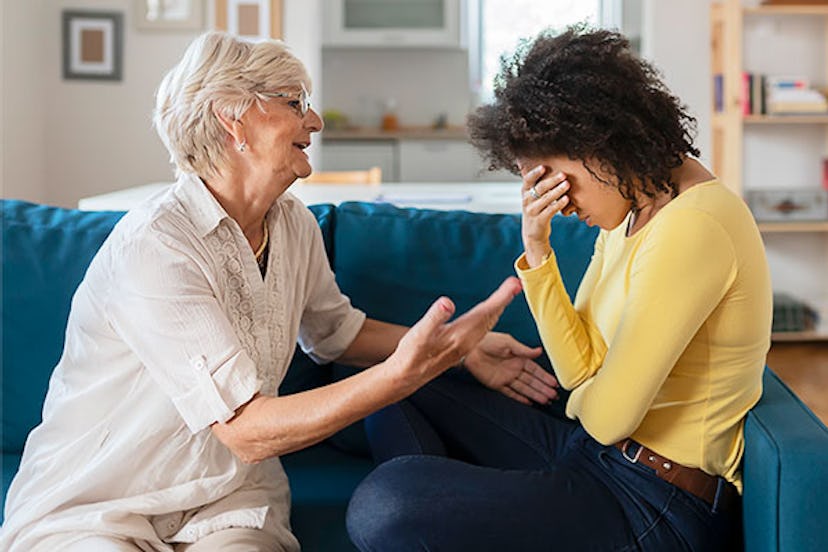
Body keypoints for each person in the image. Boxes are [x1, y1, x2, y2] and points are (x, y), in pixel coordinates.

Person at [0, 32, 559, 552]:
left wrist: (462, 347)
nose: (313, 119)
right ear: (232, 121)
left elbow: (336, 334)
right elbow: (244, 429)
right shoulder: (157, 245)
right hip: (101, 503)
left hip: (229, 502)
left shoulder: (292, 225)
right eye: (294, 103)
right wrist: (402, 375)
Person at [346, 25, 772, 551]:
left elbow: (610, 416)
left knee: (386, 504)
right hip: (598, 458)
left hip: (656, 503)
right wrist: (537, 244)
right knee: (393, 382)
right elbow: (576, 369)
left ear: (597, 140)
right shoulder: (634, 211)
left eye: (555, 178)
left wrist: (589, 397)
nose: (560, 201)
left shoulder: (695, 225)